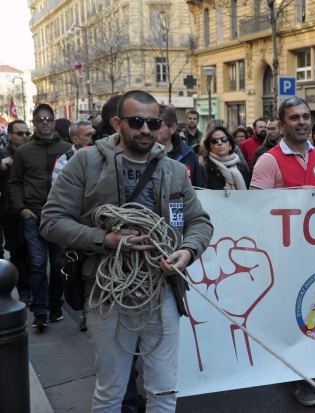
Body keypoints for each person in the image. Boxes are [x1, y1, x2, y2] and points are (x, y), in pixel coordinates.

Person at [40, 90, 214, 412]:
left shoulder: (174, 171)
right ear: (117, 123)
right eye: (136, 122)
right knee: (111, 392)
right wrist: (106, 239)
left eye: (152, 122)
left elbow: (199, 222)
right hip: (107, 295)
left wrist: (187, 251)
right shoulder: (86, 162)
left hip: (162, 292)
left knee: (164, 391)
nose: (145, 129)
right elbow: (51, 222)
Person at [251, 97, 315, 405]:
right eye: (294, 118)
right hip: (285, 256)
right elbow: (256, 210)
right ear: (281, 126)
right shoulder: (269, 161)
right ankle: (297, 378)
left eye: (306, 116)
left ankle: (310, 367)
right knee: (293, 317)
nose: (302, 122)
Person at [8, 103, 72, 329]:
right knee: (37, 264)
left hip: (59, 217)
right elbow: (14, 183)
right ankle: (40, 310)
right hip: (33, 216)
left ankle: (56, 305)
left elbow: (77, 183)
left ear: (54, 123)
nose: (45, 122)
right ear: (34, 123)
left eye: (49, 119)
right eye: (41, 119)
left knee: (56, 264)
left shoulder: (67, 149)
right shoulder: (24, 152)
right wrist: (21, 209)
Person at [0, 120, 31, 305]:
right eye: (20, 133)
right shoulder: (3, 153)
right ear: (10, 135)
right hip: (9, 211)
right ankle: (24, 290)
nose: (24, 137)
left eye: (27, 133)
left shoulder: (31, 152)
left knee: (33, 252)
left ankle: (35, 288)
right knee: (17, 251)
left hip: (32, 208)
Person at [157, 104, 205, 188]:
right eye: (150, 124)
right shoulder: (142, 154)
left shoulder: (188, 155)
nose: (150, 130)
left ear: (173, 128)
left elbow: (198, 189)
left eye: (157, 125)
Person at [52, 120, 95, 185]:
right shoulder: (64, 162)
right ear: (75, 140)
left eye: (94, 133)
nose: (94, 137)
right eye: (88, 135)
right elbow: (57, 191)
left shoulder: (102, 154)